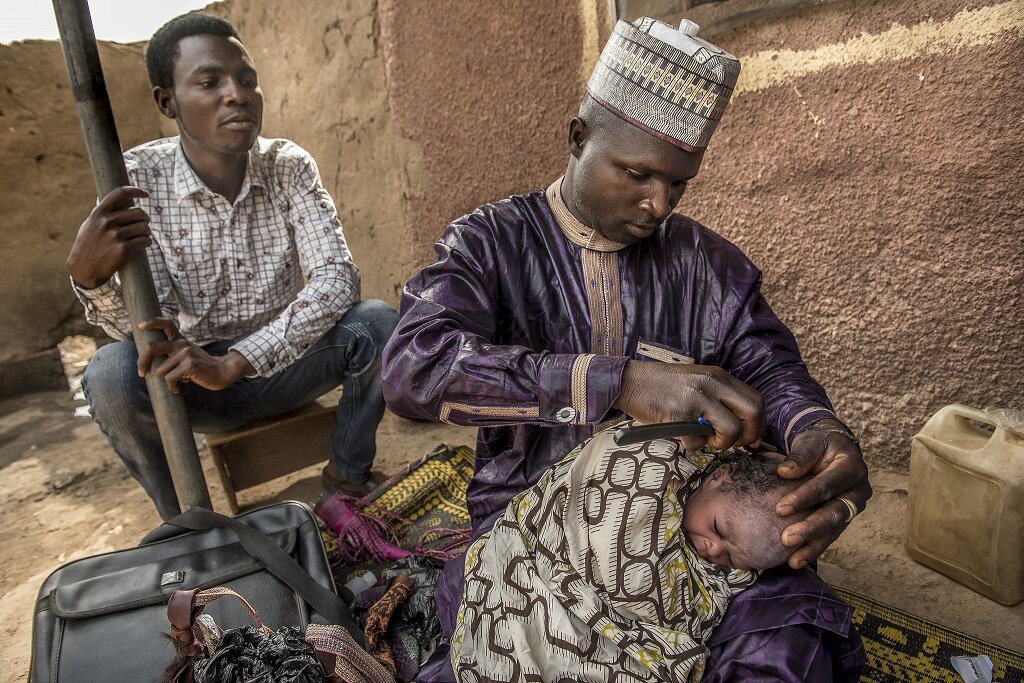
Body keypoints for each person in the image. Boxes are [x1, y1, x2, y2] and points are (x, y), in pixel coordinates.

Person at [383, 16, 870, 681]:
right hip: (536, 536)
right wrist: (617, 381)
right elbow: (415, 366)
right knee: (487, 623)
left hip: (695, 539)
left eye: (679, 184)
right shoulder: (491, 244)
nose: (659, 202)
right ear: (579, 137)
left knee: (795, 634)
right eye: (638, 173)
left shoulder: (709, 266)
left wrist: (818, 430)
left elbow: (773, 369)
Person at [68, 13, 397, 520]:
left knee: (377, 323)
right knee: (109, 374)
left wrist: (235, 362)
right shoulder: (135, 178)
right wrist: (93, 282)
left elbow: (336, 280)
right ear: (167, 102)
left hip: (287, 364)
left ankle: (346, 478)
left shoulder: (287, 165)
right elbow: (145, 328)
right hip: (192, 385)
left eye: (246, 80)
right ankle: (183, 522)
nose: (237, 94)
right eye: (209, 82)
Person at [452, 424, 864, 681]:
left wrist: (812, 420)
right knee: (453, 585)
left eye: (734, 558)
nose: (711, 549)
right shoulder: (659, 458)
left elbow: (700, 602)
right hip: (531, 543)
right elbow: (626, 570)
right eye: (719, 529)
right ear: (718, 475)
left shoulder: (729, 551)